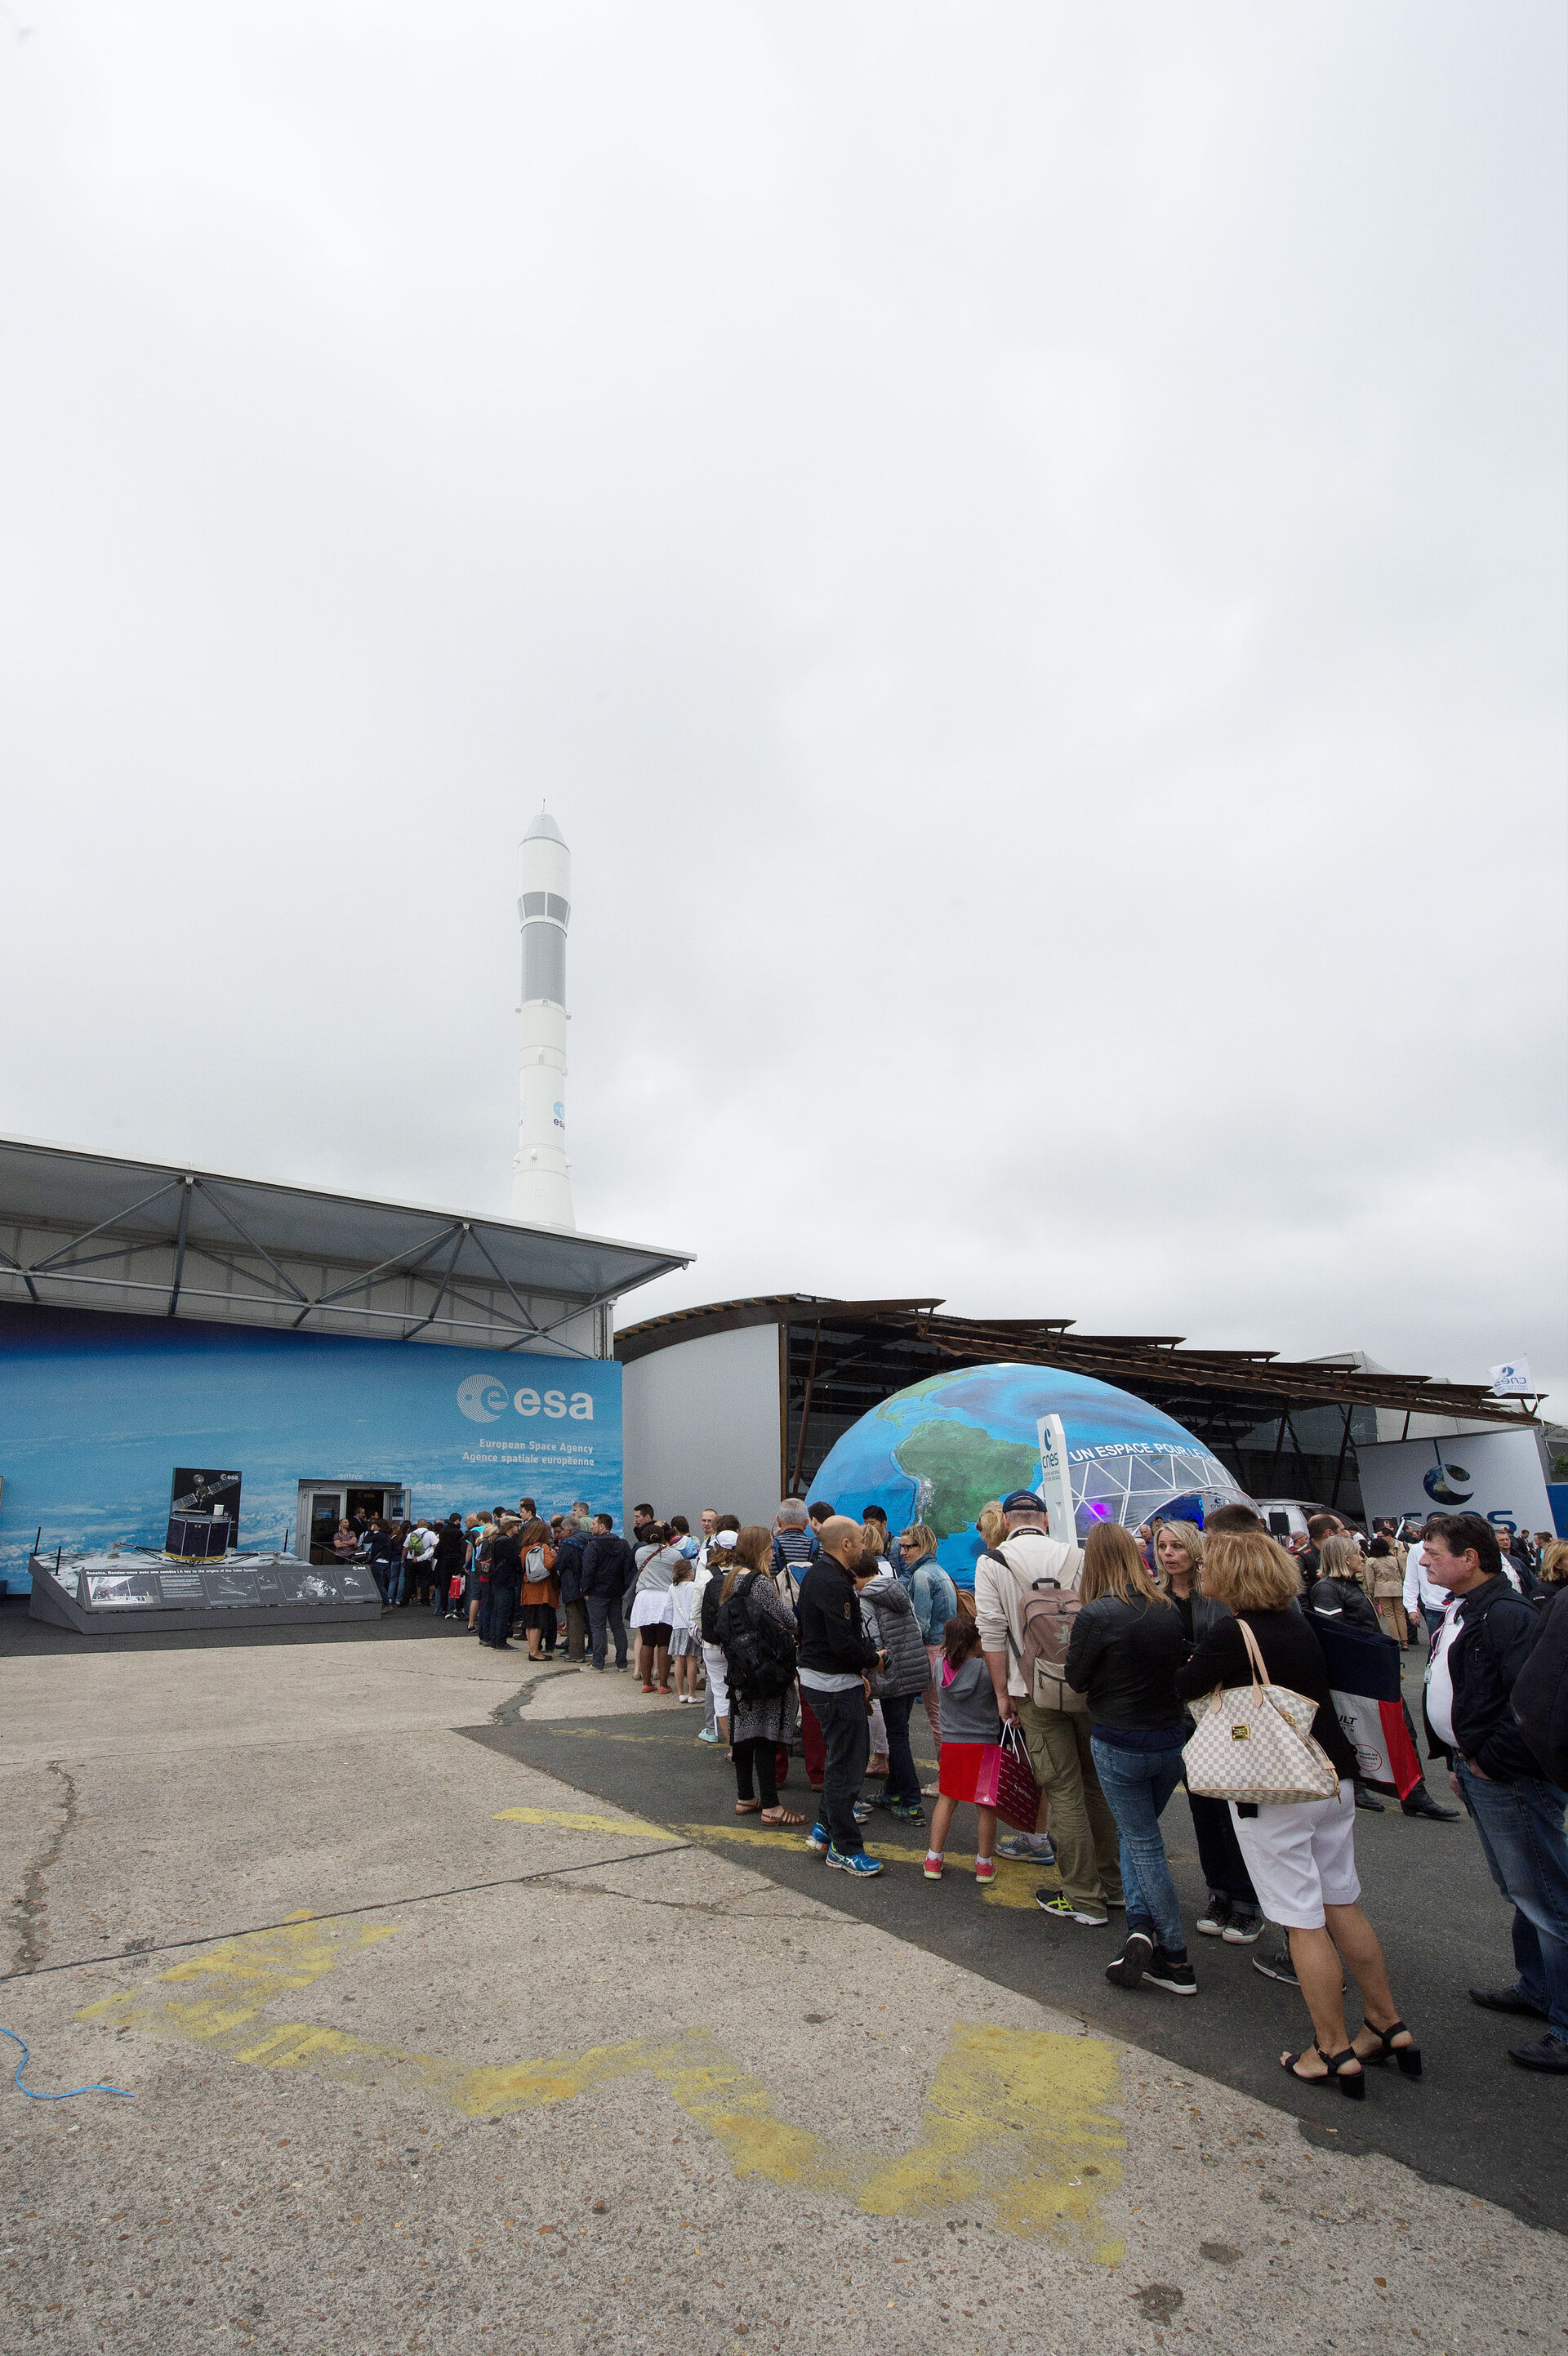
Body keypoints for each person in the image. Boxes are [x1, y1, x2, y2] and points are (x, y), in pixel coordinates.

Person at [1174, 1528, 1417, 2096]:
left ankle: (1329, 2048)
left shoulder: (1232, 1632)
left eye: (1210, 1566)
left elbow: (1184, 1685)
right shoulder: (1296, 1618)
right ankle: (1385, 2020)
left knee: (1301, 1919)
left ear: (1230, 1576)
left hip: (1273, 1786)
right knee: (1341, 1900)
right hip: (1332, 1775)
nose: (1203, 1573)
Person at [1421, 1512, 1568, 2074]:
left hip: (1510, 1778)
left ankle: (1564, 2020)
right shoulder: (1467, 1606)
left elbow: (1528, 1701)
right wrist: (1457, 1757)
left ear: (1470, 1558)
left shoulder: (1507, 1614)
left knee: (1549, 1900)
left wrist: (1488, 1759)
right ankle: (1537, 1987)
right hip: (1480, 1771)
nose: (1426, 1558)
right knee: (1522, 1891)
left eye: (1434, 1551)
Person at [975, 1490, 1123, 1927]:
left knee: (1062, 1790)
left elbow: (993, 1633)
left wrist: (1003, 1695)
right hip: (1085, 1684)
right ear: (1045, 1519)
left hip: (1032, 1690)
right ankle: (1112, 1887)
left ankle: (1084, 1897)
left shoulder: (994, 1562)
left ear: (1005, 1522)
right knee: (1096, 1784)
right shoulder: (1076, 1555)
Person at [1066, 1523, 1196, 1994]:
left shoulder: (1097, 1614)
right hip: (1169, 1740)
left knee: (1144, 1842)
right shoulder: (1165, 1609)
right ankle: (1139, 1926)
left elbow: (1076, 1680)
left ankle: (1176, 1957)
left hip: (1120, 1739)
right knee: (1135, 1831)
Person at [1152, 1521, 1262, 1943]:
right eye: (1162, 1546)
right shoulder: (1157, 1599)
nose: (1168, 1553)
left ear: (1195, 1550)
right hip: (1181, 1715)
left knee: (1235, 1810)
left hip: (1225, 1714)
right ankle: (1218, 1892)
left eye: (1177, 1546)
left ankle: (1248, 1901)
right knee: (1203, 1810)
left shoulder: (1216, 1597)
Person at [798, 1516, 886, 1875]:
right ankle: (844, 1848)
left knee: (840, 1758)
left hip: (827, 1679)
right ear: (846, 1545)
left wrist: (858, 1670)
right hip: (832, 1683)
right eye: (860, 1541)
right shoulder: (833, 1582)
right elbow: (843, 1643)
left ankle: (825, 1827)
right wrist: (872, 1661)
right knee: (848, 1767)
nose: (865, 1547)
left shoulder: (820, 1575)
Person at [716, 1525, 805, 1826]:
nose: (773, 1551)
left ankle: (745, 1797)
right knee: (766, 1736)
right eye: (769, 1547)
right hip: (764, 1671)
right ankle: (771, 1805)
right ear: (760, 1549)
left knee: (743, 1736)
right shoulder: (761, 1583)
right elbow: (788, 1619)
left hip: (740, 1670)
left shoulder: (732, 1578)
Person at [853, 1543, 931, 1824]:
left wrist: (864, 1671)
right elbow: (917, 1628)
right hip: (914, 1669)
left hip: (892, 1673)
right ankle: (893, 1792)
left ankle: (911, 1803)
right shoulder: (896, 1588)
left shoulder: (865, 1600)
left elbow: (871, 1641)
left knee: (897, 1738)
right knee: (900, 1731)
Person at [925, 1613, 1003, 1882]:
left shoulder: (939, 1668)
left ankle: (933, 1859)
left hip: (952, 1743)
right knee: (985, 1807)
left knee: (947, 1800)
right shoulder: (985, 1670)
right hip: (985, 1744)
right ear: (977, 1642)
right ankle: (984, 1864)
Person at [899, 1525, 960, 1760]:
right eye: (901, 1546)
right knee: (945, 1718)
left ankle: (945, 1779)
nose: (903, 1552)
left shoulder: (922, 1576)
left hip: (932, 1652)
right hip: (945, 1651)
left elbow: (920, 1625)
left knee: (937, 1719)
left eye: (908, 1546)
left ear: (922, 1546)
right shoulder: (938, 1571)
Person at [630, 1523, 681, 1694]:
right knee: (664, 1642)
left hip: (644, 1598)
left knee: (647, 1641)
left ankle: (646, 1682)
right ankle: (664, 1684)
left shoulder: (639, 1553)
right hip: (665, 1598)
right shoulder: (674, 1554)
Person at [581, 1513, 632, 1671]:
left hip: (597, 1591)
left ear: (602, 1526)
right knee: (618, 1626)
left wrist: (586, 1589)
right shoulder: (622, 1544)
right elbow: (628, 1566)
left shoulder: (594, 1545)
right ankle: (622, 1663)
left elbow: (588, 1569)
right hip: (616, 1592)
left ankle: (598, 1663)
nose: (591, 1526)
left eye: (594, 1524)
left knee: (598, 1627)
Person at [517, 1519, 559, 1660]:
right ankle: (535, 1652)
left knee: (529, 1622)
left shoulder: (524, 1548)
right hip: (541, 1589)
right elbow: (549, 1565)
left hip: (527, 1587)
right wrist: (554, 1555)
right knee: (537, 1623)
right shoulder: (543, 1547)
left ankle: (532, 1648)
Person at [1403, 1521, 1450, 1643]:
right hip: (1434, 1609)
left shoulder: (1453, 1547)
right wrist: (1411, 1608)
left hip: (1459, 1606)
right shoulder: (1416, 1549)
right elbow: (1411, 1580)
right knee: (1437, 1647)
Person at [554, 1517, 590, 1662]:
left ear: (568, 1530)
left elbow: (559, 1564)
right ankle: (597, 1649)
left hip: (572, 1585)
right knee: (592, 1620)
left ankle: (576, 1654)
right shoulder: (590, 1538)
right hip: (589, 1585)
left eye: (561, 1530)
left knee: (574, 1620)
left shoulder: (568, 1543)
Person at [483, 1516, 523, 1650]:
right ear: (510, 1526)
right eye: (516, 1526)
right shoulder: (506, 1542)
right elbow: (515, 1561)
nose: (518, 1528)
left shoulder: (497, 1540)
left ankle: (495, 1639)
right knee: (503, 1611)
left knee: (496, 1610)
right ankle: (501, 1641)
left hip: (497, 1578)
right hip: (505, 1580)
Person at [666, 1557, 702, 1700]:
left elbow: (669, 1608)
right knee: (691, 1660)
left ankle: (681, 1693)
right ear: (689, 1572)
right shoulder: (694, 1587)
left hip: (677, 1627)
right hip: (692, 1627)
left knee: (679, 1660)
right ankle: (692, 1693)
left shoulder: (672, 1587)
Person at [1365, 1536, 1410, 1647]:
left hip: (1382, 1589)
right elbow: (1402, 1573)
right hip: (1397, 1588)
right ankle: (1405, 1641)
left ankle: (1396, 1640)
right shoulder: (1394, 1559)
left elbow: (1370, 1580)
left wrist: (1371, 1593)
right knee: (1400, 1614)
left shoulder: (1371, 1561)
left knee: (1389, 1615)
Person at [432, 1513, 467, 1619]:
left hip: (444, 1561)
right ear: (457, 1521)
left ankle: (444, 1609)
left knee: (444, 1586)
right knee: (456, 1585)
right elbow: (460, 1547)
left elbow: (440, 1546)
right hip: (455, 1561)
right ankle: (457, 1608)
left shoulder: (443, 1531)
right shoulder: (459, 1533)